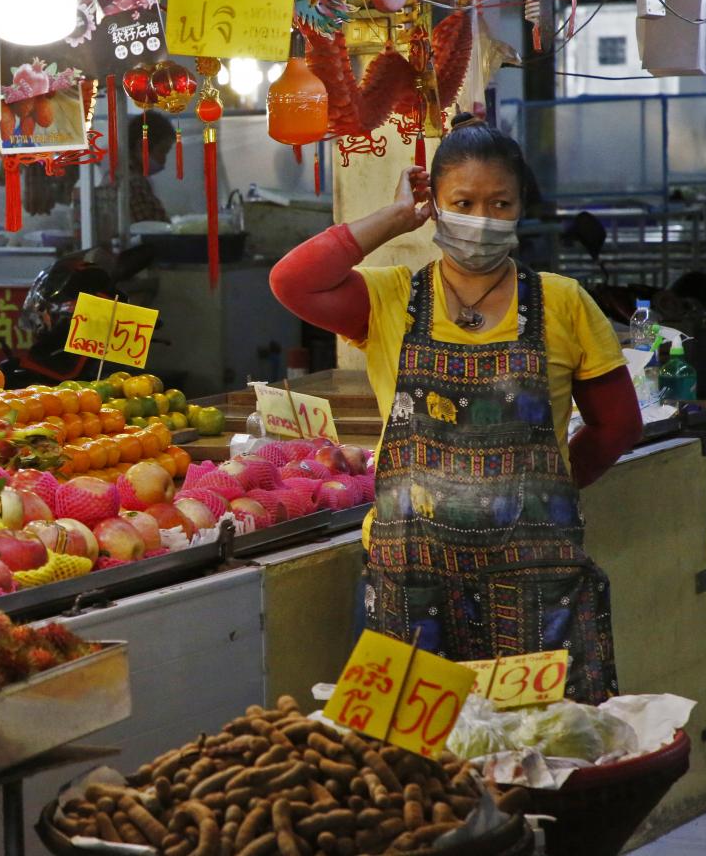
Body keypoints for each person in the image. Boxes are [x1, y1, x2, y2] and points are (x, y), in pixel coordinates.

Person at [269, 116, 643, 704]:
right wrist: (393, 219)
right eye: (463, 201)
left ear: (522, 207)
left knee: (542, 748)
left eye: (500, 203)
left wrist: (554, 488)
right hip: (408, 586)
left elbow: (618, 425)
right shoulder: (390, 297)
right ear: (434, 206)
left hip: (536, 584)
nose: (482, 218)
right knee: (412, 769)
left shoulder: (565, 302)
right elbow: (292, 282)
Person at [86, 110, 174, 243]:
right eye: (162, 151)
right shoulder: (133, 184)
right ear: (142, 146)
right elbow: (152, 234)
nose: (164, 160)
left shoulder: (116, 176)